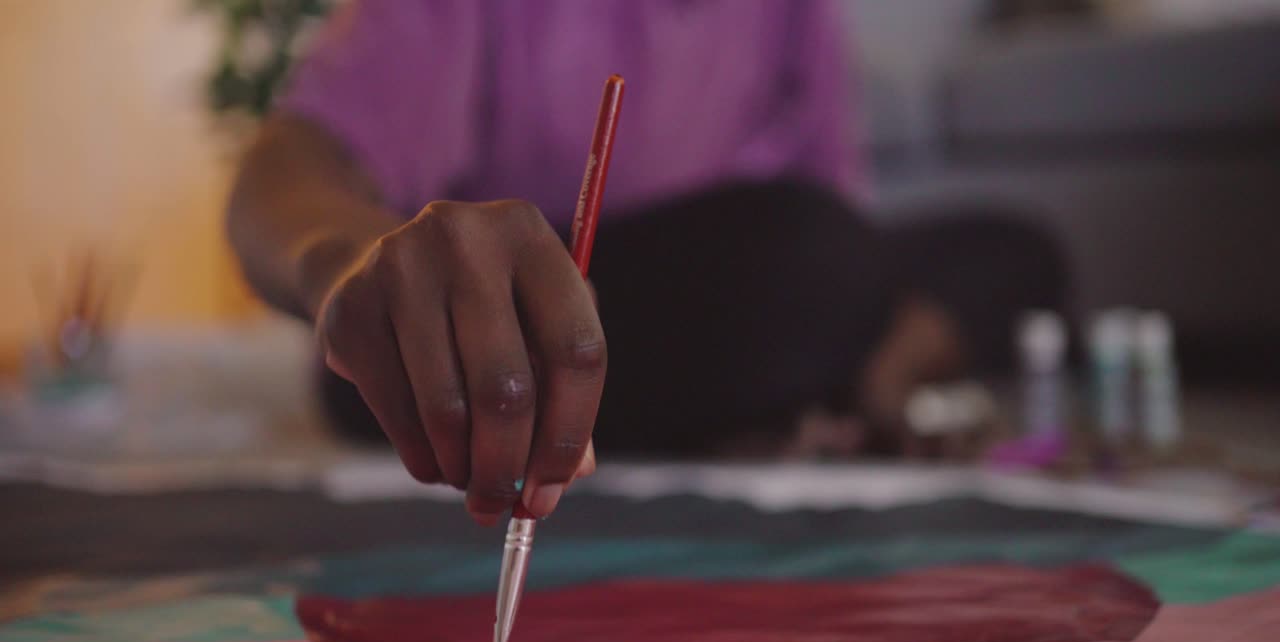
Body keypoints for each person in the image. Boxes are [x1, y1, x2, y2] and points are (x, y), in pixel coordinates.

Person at [227, 0, 1066, 525]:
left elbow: (839, 226)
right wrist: (351, 264)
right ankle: (820, 394)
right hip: (520, 325)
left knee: (1013, 251)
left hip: (755, 280)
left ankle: (865, 383)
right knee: (809, 263)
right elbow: (286, 171)